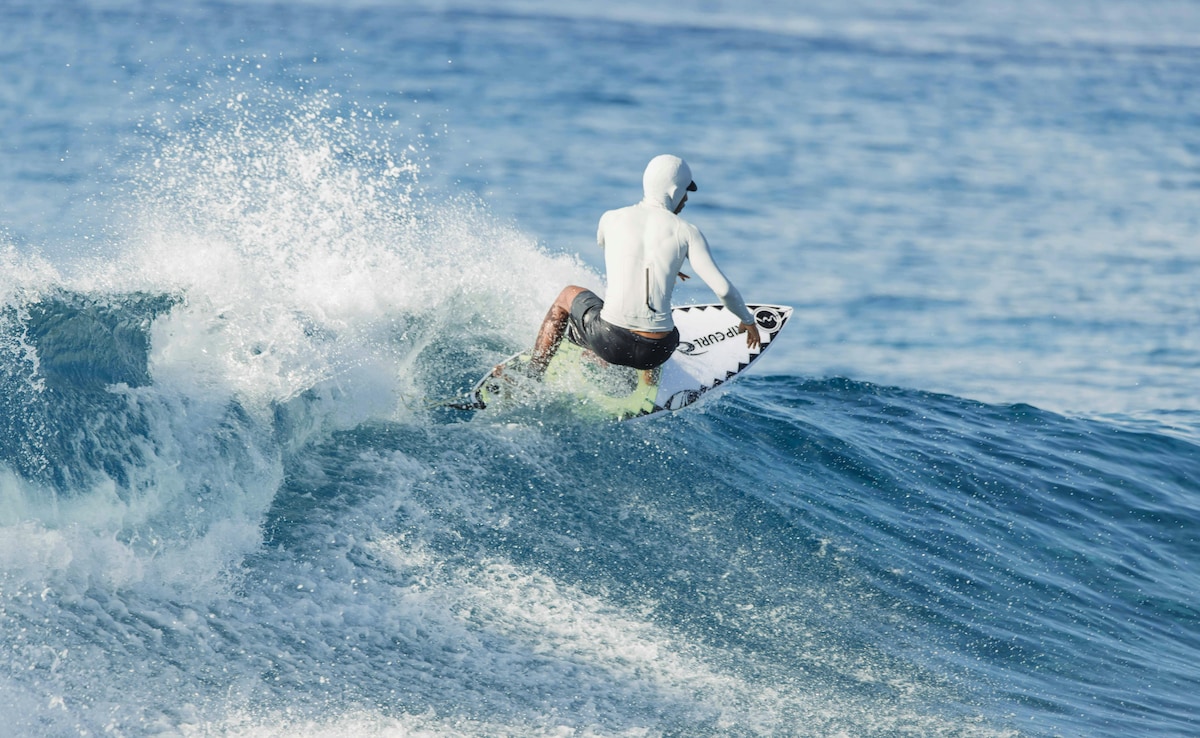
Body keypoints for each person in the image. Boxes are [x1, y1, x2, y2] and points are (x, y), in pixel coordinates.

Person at [526, 154, 761, 379]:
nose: (686, 199)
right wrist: (748, 321)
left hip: (609, 342)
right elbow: (724, 290)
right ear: (674, 191)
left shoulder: (611, 218)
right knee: (660, 317)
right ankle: (644, 377)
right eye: (685, 192)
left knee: (568, 296)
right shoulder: (687, 231)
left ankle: (534, 375)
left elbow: (618, 252)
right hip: (658, 352)